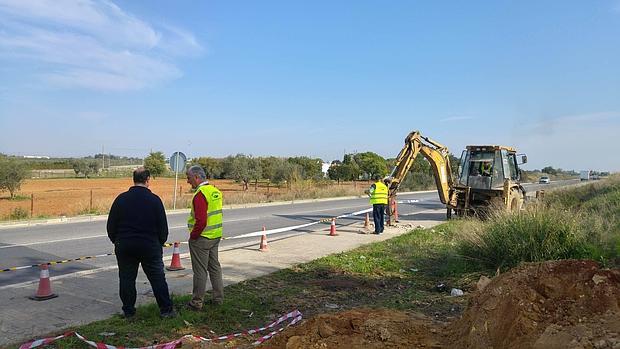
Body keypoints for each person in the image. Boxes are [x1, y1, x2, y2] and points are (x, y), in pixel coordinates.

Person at [106, 167, 175, 319]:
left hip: (125, 246)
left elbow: (111, 226)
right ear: (147, 180)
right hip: (149, 246)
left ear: (134, 179)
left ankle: (129, 312)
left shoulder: (121, 199)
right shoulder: (155, 200)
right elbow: (163, 228)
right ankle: (166, 310)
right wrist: (159, 243)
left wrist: (117, 241)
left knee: (126, 279)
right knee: (157, 278)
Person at [185, 165, 224, 310]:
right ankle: (218, 299)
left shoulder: (200, 194)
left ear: (196, 177)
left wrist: (193, 236)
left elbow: (201, 220)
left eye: (189, 178)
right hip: (215, 236)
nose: (187, 181)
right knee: (214, 268)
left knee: (200, 271)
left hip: (202, 238)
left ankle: (196, 302)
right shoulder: (215, 191)